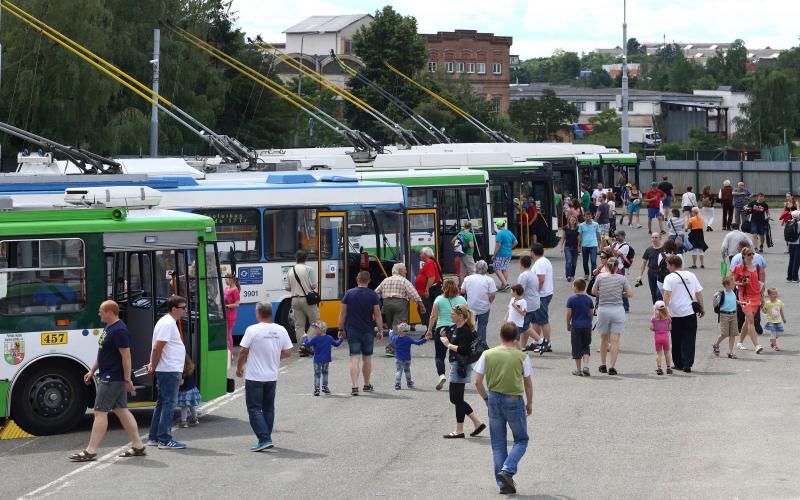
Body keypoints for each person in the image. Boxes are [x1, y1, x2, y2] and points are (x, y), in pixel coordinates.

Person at [68, 300, 145, 462]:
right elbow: (102, 353)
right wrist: (92, 370)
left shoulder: (120, 330)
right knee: (121, 410)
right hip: (110, 375)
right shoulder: (109, 328)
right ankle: (138, 446)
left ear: (110, 312)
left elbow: (126, 356)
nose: (98, 314)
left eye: (101, 311)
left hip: (112, 378)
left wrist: (126, 379)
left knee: (99, 412)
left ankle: (91, 451)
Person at [473, 322, 534, 496]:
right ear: (516, 338)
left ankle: (503, 484)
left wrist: (486, 397)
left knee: (498, 443)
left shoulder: (488, 354)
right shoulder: (522, 357)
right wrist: (529, 403)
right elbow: (528, 383)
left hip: (493, 398)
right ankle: (507, 470)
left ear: (500, 335)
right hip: (514, 399)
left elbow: (477, 381)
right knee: (521, 439)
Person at [237, 301, 292, 452]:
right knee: (268, 408)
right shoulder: (281, 330)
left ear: (257, 313)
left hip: (255, 376)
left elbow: (243, 351)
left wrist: (239, 367)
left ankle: (264, 438)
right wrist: (274, 356)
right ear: (270, 313)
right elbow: (288, 352)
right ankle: (266, 437)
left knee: (254, 408)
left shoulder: (252, 329)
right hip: (272, 376)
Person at [147, 295, 188, 449]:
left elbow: (158, 348)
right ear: (173, 309)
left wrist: (153, 364)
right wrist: (153, 364)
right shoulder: (168, 324)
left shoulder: (167, 322)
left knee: (162, 404)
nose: (185, 310)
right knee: (169, 404)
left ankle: (154, 437)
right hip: (169, 370)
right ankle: (164, 439)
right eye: (183, 308)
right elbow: (158, 347)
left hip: (167, 369)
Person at [439, 303, 485, 439]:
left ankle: (459, 430)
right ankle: (477, 423)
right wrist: (445, 334)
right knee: (456, 398)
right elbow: (453, 334)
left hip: (461, 366)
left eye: (453, 314)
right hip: (456, 365)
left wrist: (448, 345)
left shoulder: (465, 330)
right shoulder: (456, 327)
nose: (450, 315)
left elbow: (464, 349)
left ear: (460, 316)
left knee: (456, 399)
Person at [339, 270, 383, 396]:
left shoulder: (349, 293)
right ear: (368, 281)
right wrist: (380, 330)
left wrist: (340, 329)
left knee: (354, 357)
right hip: (368, 330)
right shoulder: (373, 295)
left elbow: (343, 314)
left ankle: (354, 386)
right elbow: (378, 315)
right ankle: (367, 384)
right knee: (367, 358)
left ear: (357, 279)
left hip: (353, 329)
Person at [662, 256, 704, 372]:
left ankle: (679, 363)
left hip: (675, 313)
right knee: (689, 338)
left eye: (668, 265)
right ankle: (687, 363)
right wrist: (702, 307)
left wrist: (664, 311)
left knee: (676, 338)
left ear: (673, 265)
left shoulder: (669, 278)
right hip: (689, 312)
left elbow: (666, 295)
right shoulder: (691, 275)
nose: (667, 267)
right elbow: (698, 293)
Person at [592, 257, 633, 375]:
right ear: (616, 267)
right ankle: (612, 366)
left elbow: (594, 292)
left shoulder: (600, 277)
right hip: (617, 310)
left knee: (604, 338)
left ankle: (602, 364)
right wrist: (620, 293)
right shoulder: (622, 279)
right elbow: (630, 294)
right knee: (615, 339)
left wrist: (603, 293)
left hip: (603, 309)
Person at [376, 262, 425, 357]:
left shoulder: (386, 280)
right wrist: (421, 305)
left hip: (387, 304)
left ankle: (395, 347)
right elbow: (414, 294)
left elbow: (376, 292)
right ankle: (391, 349)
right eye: (405, 269)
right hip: (400, 304)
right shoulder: (404, 281)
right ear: (400, 271)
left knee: (392, 326)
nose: (406, 271)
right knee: (400, 326)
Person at [427, 278, 467, 390]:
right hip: (457, 328)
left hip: (442, 329)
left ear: (443, 288)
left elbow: (433, 316)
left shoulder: (439, 299)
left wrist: (429, 330)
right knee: (457, 352)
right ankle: (457, 376)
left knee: (440, 355)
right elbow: (467, 314)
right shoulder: (461, 299)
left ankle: (441, 375)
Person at [730, 249, 765, 354]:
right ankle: (756, 345)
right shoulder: (739, 268)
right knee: (750, 320)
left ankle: (740, 342)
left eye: (752, 254)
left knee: (747, 320)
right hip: (744, 297)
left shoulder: (758, 267)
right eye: (749, 254)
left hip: (756, 296)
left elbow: (762, 283)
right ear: (744, 256)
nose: (751, 256)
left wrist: (762, 297)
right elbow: (731, 281)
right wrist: (741, 284)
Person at [285, 249, 319, 354]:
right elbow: (314, 286)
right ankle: (306, 344)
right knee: (316, 322)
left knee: (299, 325)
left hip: (294, 299)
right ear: (306, 258)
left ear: (296, 258)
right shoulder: (309, 269)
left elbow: (287, 288)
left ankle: (302, 348)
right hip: (307, 299)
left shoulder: (290, 271)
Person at [303, 321, 343, 396]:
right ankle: (325, 387)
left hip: (317, 360)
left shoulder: (315, 338)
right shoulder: (329, 338)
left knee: (317, 374)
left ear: (321, 329)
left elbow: (308, 344)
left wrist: (305, 337)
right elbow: (336, 344)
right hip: (326, 359)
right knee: (325, 373)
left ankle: (317, 389)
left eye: (316, 328)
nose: (315, 330)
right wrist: (340, 339)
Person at [461, 260, 497, 342]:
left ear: (475, 268)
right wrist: (490, 301)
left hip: (470, 307)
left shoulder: (468, 278)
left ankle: (469, 343)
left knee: (470, 326)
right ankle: (480, 345)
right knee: (482, 326)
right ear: (486, 268)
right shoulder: (489, 280)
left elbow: (462, 291)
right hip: (484, 308)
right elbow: (493, 294)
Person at [712, 277, 745, 359]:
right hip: (724, 315)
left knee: (732, 334)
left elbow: (734, 300)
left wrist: (741, 303)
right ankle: (716, 345)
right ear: (726, 285)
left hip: (733, 314)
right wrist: (715, 297)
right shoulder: (721, 294)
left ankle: (730, 352)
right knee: (724, 334)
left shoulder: (733, 292)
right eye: (732, 283)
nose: (734, 284)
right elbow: (715, 305)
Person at [566, 278, 594, 377]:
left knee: (576, 347)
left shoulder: (571, 299)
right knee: (586, 346)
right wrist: (589, 322)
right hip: (586, 326)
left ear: (575, 287)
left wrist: (568, 324)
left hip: (576, 326)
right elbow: (591, 313)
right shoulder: (588, 299)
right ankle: (586, 366)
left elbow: (569, 313)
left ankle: (578, 369)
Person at [517, 255, 544, 352]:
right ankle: (522, 347)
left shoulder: (523, 275)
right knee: (526, 325)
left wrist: (514, 303)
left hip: (528, 304)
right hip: (535, 302)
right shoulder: (533, 274)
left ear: (521, 264)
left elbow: (519, 291)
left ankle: (541, 341)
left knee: (524, 326)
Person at [390, 322, 426, 390]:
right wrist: (425, 339)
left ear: (399, 330)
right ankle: (409, 382)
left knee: (398, 370)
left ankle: (397, 384)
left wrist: (391, 332)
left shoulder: (395, 338)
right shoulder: (408, 338)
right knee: (407, 370)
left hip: (398, 358)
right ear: (407, 331)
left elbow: (391, 336)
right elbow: (417, 342)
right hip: (407, 358)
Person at [531, 242, 554, 350]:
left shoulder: (540, 263)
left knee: (543, 320)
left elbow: (541, 279)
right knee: (536, 320)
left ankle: (546, 342)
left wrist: (536, 292)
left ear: (533, 252)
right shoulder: (544, 261)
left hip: (541, 295)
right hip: (545, 293)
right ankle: (537, 341)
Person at [415, 247, 443, 328]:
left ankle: (431, 329)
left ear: (425, 254)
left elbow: (431, 277)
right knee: (427, 309)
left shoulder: (429, 262)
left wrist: (426, 289)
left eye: (421, 253)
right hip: (431, 289)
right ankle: (430, 329)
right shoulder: (431, 261)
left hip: (430, 290)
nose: (420, 255)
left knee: (426, 309)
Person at [638, 233, 665, 303]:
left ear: (660, 238)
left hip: (662, 273)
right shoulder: (648, 250)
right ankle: (656, 309)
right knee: (653, 292)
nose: (654, 239)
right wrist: (640, 275)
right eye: (652, 237)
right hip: (651, 273)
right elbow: (644, 263)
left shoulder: (665, 249)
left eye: (656, 237)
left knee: (660, 292)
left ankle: (663, 309)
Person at [611, 230, 633, 312]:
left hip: (620, 268)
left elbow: (615, 254)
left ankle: (625, 306)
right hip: (612, 267)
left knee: (622, 287)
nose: (617, 237)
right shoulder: (615, 244)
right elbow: (605, 250)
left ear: (623, 236)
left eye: (618, 236)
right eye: (616, 235)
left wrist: (610, 244)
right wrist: (603, 240)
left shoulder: (625, 246)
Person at [177, 356, 202, 428]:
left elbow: (181, 383)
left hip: (185, 391)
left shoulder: (182, 372)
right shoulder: (191, 368)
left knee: (184, 407)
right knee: (192, 405)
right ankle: (195, 418)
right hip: (192, 389)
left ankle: (184, 422)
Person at [493, 219, 517, 290]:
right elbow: (516, 242)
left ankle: (505, 284)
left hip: (501, 254)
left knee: (497, 268)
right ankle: (503, 285)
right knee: (504, 269)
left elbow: (498, 245)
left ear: (499, 225)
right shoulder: (509, 232)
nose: (496, 226)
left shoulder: (499, 233)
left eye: (497, 225)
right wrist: (510, 248)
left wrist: (494, 254)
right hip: (508, 254)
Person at [650, 301, 673, 375]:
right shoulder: (668, 318)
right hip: (665, 337)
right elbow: (669, 328)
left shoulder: (654, 318)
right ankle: (668, 368)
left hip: (657, 337)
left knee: (659, 354)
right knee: (667, 353)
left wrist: (655, 329)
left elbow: (651, 328)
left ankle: (659, 368)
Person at [578, 212, 601, 279]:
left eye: (589, 216)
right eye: (586, 216)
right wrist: (579, 246)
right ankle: (586, 274)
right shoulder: (581, 225)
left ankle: (593, 275)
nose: (588, 218)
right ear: (584, 217)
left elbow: (598, 235)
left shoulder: (596, 224)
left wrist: (600, 246)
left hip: (593, 245)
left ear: (592, 216)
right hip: (584, 245)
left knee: (593, 261)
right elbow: (580, 236)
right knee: (585, 262)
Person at [224, 274, 240, 361]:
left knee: (228, 334)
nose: (225, 281)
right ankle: (227, 351)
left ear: (231, 280)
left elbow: (237, 304)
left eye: (226, 279)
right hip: (225, 314)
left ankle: (230, 353)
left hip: (230, 315)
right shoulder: (227, 289)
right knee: (226, 334)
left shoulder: (235, 290)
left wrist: (227, 306)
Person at [560, 215, 580, 282]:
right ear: (569, 220)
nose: (573, 221)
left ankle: (572, 275)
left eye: (574, 220)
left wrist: (579, 247)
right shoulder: (565, 228)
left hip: (575, 247)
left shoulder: (578, 228)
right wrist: (561, 247)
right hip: (567, 247)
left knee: (574, 263)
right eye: (571, 220)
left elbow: (579, 239)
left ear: (576, 221)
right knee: (569, 261)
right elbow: (563, 238)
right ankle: (568, 276)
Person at [786, 210, 800, 282]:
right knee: (796, 261)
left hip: (791, 244)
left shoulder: (789, 222)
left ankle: (789, 277)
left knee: (791, 260)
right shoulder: (799, 223)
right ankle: (795, 278)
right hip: (798, 244)